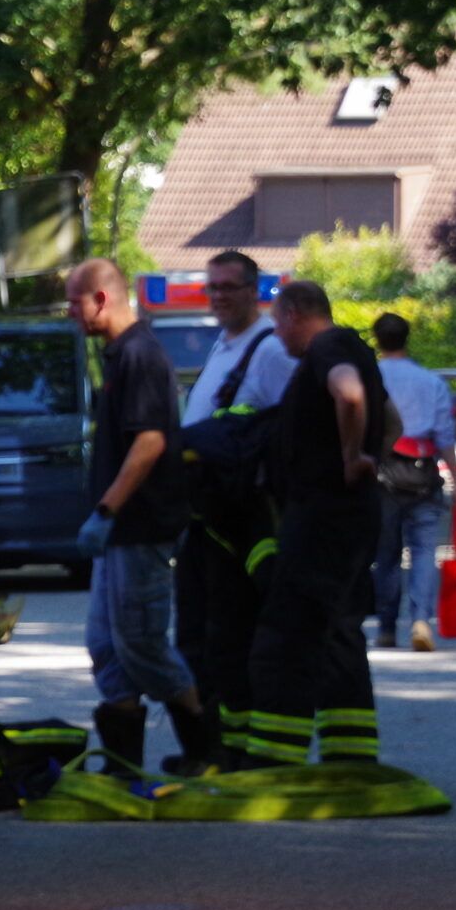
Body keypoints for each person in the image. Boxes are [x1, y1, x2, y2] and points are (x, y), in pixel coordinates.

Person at [64, 258, 219, 777]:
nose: (70, 313)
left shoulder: (141, 356)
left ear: (101, 299)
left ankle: (204, 749)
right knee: (107, 646)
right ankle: (122, 763)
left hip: (141, 527)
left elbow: (149, 442)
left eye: (74, 302)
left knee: (141, 643)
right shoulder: (120, 356)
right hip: (119, 533)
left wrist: (107, 509)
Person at [244, 280, 389, 767]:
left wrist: (352, 457)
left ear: (292, 314)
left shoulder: (328, 348)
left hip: (322, 519)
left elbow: (349, 394)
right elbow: (392, 418)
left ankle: (273, 759)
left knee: (290, 633)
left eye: (277, 323)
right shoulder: (357, 349)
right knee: (339, 631)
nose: (277, 335)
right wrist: (371, 457)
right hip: (350, 515)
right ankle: (350, 757)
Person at [173, 250, 295, 765]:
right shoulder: (224, 346)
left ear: (253, 290)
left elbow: (294, 432)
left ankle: (233, 751)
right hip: (205, 518)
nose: (219, 296)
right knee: (197, 636)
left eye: (229, 287)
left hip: (241, 524)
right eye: (213, 287)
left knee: (229, 637)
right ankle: (209, 748)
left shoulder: (271, 350)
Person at [369, 312, 456, 652]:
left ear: (377, 339)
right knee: (423, 551)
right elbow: (445, 436)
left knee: (386, 555)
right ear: (406, 338)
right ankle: (421, 619)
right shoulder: (430, 382)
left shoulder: (369, 378)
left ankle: (386, 627)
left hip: (383, 476)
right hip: (423, 474)